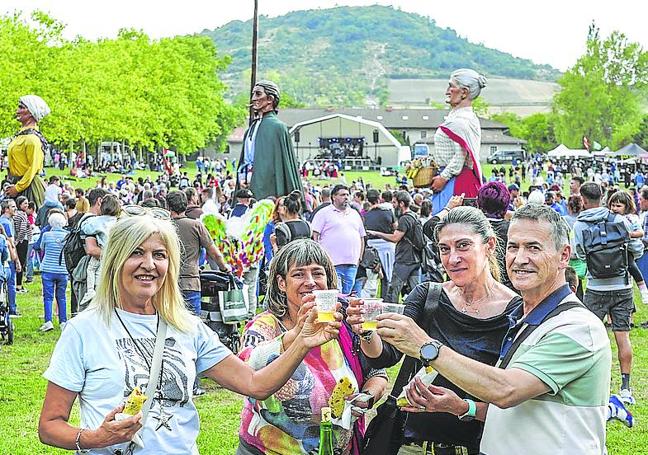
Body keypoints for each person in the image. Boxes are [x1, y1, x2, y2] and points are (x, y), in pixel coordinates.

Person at [39, 214, 342, 454]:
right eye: (136, 253)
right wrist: (95, 438)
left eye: (159, 255)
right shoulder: (84, 330)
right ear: (115, 260)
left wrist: (301, 342)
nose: (149, 264)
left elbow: (254, 383)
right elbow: (49, 426)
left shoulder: (187, 326)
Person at [374, 204, 611, 455]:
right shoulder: (524, 320)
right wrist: (463, 407)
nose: (520, 258)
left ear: (564, 256)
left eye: (533, 247)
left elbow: (506, 391)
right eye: (514, 247)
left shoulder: (577, 327)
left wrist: (426, 346)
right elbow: (518, 411)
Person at [350, 207, 520, 454]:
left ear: (489, 245)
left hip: (475, 447)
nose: (452, 258)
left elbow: (514, 401)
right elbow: (387, 356)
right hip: (409, 445)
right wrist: (366, 330)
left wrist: (461, 407)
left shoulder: (514, 313)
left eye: (463, 246)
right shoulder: (429, 296)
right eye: (444, 249)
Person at [237, 240, 388, 454]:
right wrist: (297, 336)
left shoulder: (342, 322)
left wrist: (366, 398)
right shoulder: (265, 326)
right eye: (298, 274)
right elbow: (244, 368)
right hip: (270, 450)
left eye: (317, 273)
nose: (310, 282)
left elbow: (377, 371)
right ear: (281, 283)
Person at [572, 183, 643, 405]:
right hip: (622, 287)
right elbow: (637, 249)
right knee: (623, 337)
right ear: (603, 197)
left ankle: (592, 386)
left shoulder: (580, 225)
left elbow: (579, 253)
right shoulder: (619, 220)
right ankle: (625, 388)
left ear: (583, 199)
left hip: (595, 288)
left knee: (590, 339)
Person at [430, 69, 486, 215]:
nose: (447, 91)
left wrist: (443, 177)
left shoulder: (460, 121)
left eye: (451, 86)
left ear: (464, 92)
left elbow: (460, 156)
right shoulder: (460, 118)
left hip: (456, 181)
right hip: (454, 177)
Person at [236, 80, 303, 200]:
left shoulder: (277, 127)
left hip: (268, 190)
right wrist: (242, 177)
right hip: (246, 187)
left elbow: (285, 165)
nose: (253, 99)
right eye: (253, 94)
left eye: (258, 94)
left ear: (270, 99)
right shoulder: (251, 128)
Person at [166, 190, 229, 315]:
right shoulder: (196, 226)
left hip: (168, 282)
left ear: (168, 206)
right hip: (190, 282)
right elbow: (214, 253)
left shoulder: (164, 226)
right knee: (193, 324)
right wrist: (224, 268)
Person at [367, 191, 422, 303]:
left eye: (394, 202)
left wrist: (377, 233)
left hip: (404, 259)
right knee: (415, 291)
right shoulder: (414, 216)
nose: (393, 205)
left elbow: (395, 238)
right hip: (416, 258)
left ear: (401, 203)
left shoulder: (404, 218)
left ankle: (390, 315)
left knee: (393, 290)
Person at [311, 184, 366, 294]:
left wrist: (359, 257)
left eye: (347, 195)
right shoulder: (324, 213)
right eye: (342, 195)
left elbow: (361, 237)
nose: (346, 197)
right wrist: (319, 257)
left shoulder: (354, 214)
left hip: (352, 263)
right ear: (334, 197)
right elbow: (315, 235)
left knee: (347, 294)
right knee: (337, 294)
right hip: (332, 263)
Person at [5, 95, 50, 208]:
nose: (17, 111)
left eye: (21, 108)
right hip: (16, 183)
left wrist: (17, 188)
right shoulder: (21, 136)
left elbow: (33, 168)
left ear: (31, 112)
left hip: (28, 188)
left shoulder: (32, 139)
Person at [78, 194, 121, 311]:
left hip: (100, 252)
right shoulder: (119, 223)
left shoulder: (96, 221)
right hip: (112, 257)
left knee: (91, 269)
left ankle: (90, 290)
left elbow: (86, 230)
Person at [607, 190, 648, 304]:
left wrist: (629, 234)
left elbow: (640, 233)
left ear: (627, 206)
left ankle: (642, 288)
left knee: (631, 264)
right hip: (617, 247)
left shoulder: (631, 218)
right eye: (613, 205)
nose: (614, 208)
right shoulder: (610, 217)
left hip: (630, 247)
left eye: (618, 206)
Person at [476, 182, 513, 289]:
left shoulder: (470, 228)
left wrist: (448, 209)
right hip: (507, 288)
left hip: (477, 288)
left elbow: (429, 226)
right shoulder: (513, 229)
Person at [363, 188, 397, 299]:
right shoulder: (388, 212)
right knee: (388, 277)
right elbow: (395, 227)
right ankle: (387, 300)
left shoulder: (366, 215)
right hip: (387, 245)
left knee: (371, 278)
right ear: (379, 199)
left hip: (371, 248)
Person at [39, 212, 68, 332]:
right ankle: (63, 321)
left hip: (48, 269)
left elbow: (42, 247)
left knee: (48, 297)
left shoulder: (46, 235)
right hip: (62, 270)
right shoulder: (67, 235)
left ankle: (48, 321)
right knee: (61, 297)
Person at [13, 195, 31, 293]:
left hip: (18, 240)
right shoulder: (22, 215)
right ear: (19, 204)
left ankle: (17, 283)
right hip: (22, 241)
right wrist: (19, 240)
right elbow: (23, 229)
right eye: (25, 203)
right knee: (21, 262)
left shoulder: (16, 214)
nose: (27, 205)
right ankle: (19, 285)